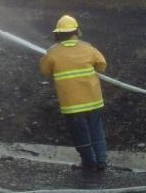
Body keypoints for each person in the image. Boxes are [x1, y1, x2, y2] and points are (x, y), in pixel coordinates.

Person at [39, 15, 109, 171]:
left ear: (57, 34)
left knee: (80, 133)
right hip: (94, 100)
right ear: (77, 31)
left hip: (72, 104)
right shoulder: (88, 48)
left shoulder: (52, 53)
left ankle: (89, 163)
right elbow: (102, 64)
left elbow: (45, 71)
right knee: (96, 130)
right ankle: (101, 161)